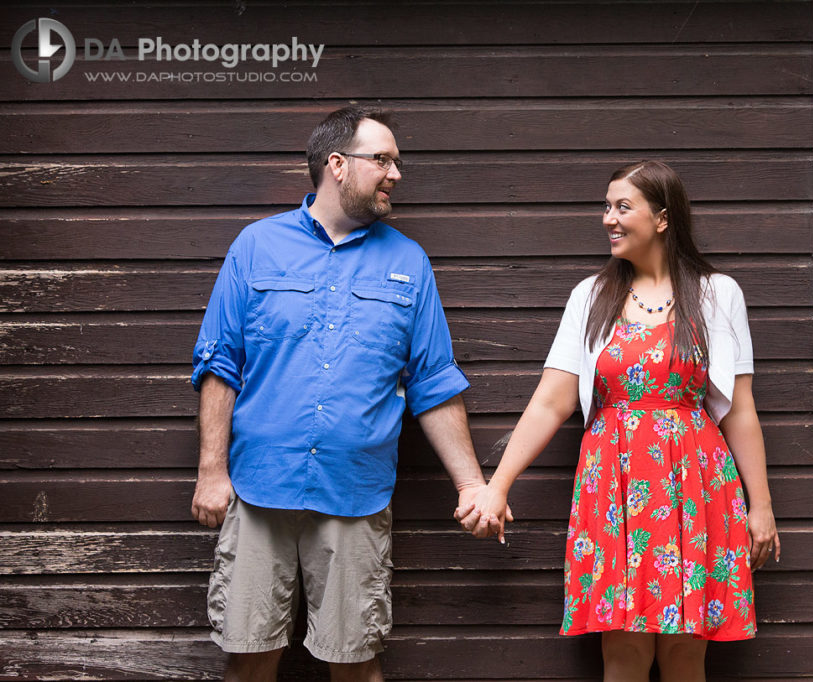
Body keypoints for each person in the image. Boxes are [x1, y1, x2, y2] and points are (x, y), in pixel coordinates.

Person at [189, 106, 503, 682]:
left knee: (355, 663)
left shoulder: (408, 261)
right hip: (261, 489)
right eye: (382, 160)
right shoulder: (256, 246)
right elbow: (219, 364)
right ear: (336, 164)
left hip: (356, 496)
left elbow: (432, 381)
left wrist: (471, 485)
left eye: (396, 162)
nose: (395, 174)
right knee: (249, 659)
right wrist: (212, 470)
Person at [456, 161, 781, 681]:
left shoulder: (719, 294)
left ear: (662, 218)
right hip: (614, 487)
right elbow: (550, 402)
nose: (608, 218)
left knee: (684, 653)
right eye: (606, 206)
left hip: (694, 487)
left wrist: (760, 508)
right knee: (623, 652)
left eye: (622, 207)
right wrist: (497, 486)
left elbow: (739, 409)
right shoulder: (591, 296)